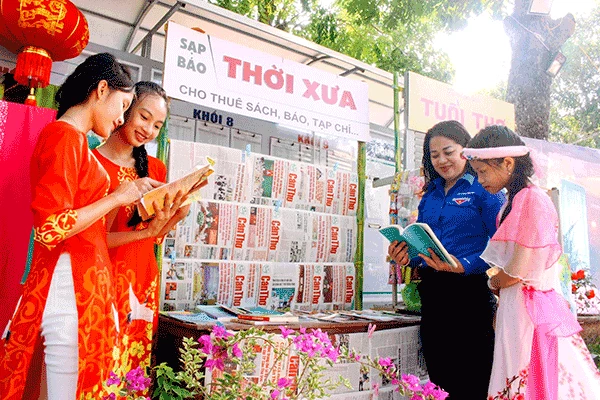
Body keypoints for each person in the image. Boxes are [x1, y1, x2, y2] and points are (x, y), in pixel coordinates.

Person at [0, 53, 162, 400]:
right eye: (123, 106)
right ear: (101, 90)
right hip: (70, 284)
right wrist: (117, 198)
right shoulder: (64, 137)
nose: (121, 118)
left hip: (81, 284)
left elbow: (87, 229)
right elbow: (50, 228)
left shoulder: (74, 140)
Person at [464, 125, 600, 399]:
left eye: (483, 171)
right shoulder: (520, 198)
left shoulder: (529, 199)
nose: (480, 180)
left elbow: (518, 270)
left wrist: (493, 282)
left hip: (527, 306)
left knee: (527, 375)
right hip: (522, 303)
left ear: (508, 163)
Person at [387, 120, 503, 399]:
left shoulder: (485, 189)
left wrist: (465, 264)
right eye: (434, 155)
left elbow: (502, 247)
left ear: (467, 151)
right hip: (433, 297)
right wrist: (405, 256)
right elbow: (423, 247)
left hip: (470, 297)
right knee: (440, 382)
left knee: (473, 383)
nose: (441, 160)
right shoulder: (430, 195)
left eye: (448, 152)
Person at [93, 81, 190, 377]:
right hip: (102, 278)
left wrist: (178, 213)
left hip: (142, 277)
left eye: (157, 125)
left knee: (133, 368)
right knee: (101, 364)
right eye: (144, 117)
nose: (148, 130)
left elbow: (156, 235)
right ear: (126, 109)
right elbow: (93, 240)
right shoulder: (93, 163)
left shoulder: (155, 169)